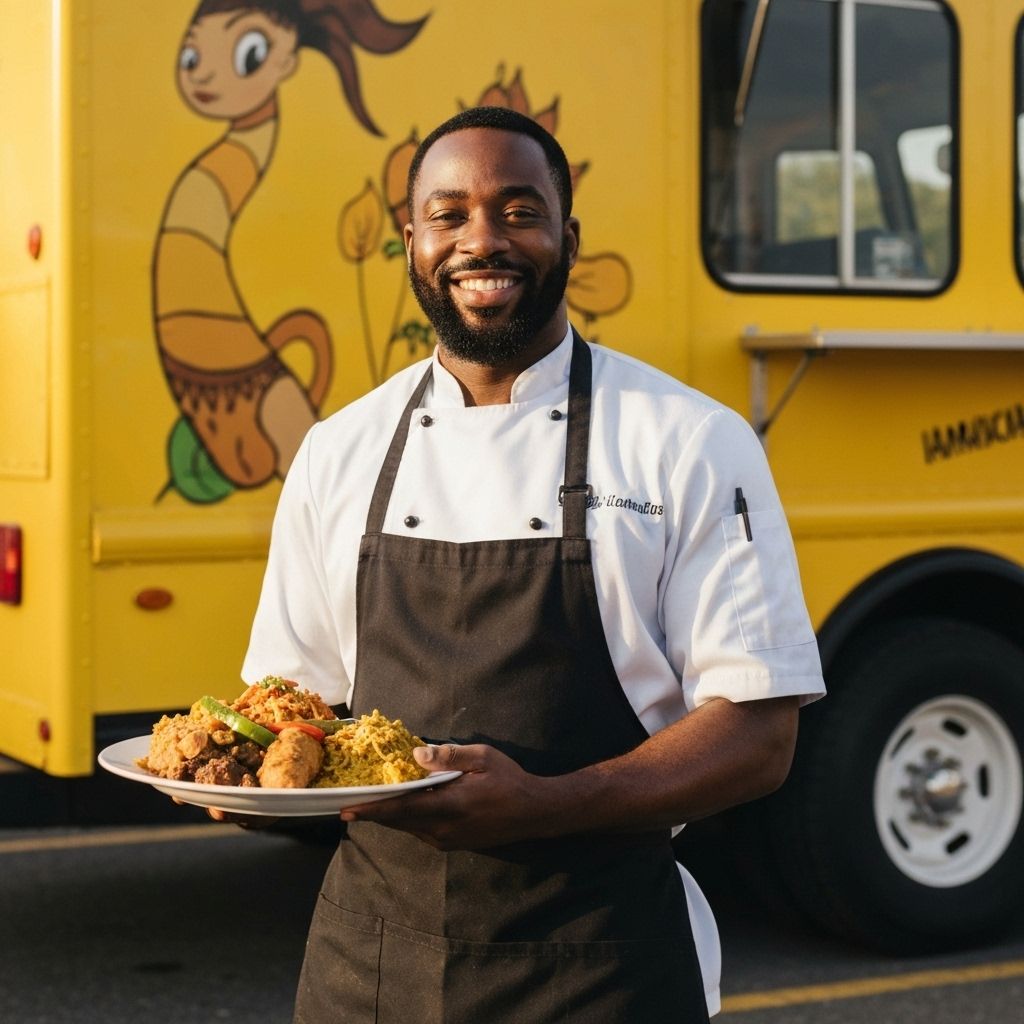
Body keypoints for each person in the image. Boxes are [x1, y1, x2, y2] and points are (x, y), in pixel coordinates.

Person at [241, 105, 826, 1022]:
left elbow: (759, 736)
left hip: (600, 966)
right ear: (410, 242)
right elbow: (290, 706)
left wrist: (548, 802)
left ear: (568, 236)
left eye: (519, 210)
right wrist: (237, 784)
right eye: (450, 214)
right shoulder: (337, 450)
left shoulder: (690, 440)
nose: (483, 240)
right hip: (371, 966)